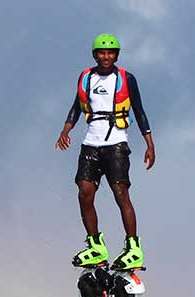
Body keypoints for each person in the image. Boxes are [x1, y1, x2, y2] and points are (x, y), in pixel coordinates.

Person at [56, 33, 155, 271]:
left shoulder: (126, 78)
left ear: (116, 55)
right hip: (91, 141)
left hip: (116, 142)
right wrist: (66, 130)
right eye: (102, 52)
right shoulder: (86, 77)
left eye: (111, 53)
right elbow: (76, 108)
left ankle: (133, 248)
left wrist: (149, 143)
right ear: (95, 54)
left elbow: (139, 111)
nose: (106, 56)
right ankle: (96, 245)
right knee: (84, 192)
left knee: (120, 193)